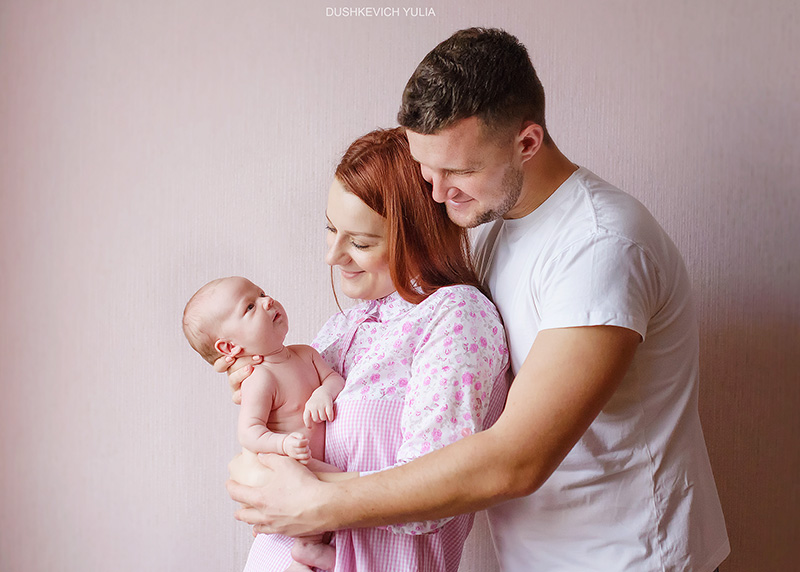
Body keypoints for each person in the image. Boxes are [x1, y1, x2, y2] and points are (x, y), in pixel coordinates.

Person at [225, 28, 730, 572]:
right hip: (537, 558)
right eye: (427, 168)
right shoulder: (493, 229)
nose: (437, 193)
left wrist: (314, 503)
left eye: (459, 171)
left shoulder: (599, 248)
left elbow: (517, 459)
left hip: (630, 557)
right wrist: (280, 377)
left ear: (527, 142)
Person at [221, 127, 510, 571]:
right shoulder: (341, 329)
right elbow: (259, 465)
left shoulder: (454, 316)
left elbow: (437, 495)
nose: (333, 256)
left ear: (418, 237)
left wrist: (304, 497)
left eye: (359, 242)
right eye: (331, 229)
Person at [183, 276, 344, 571]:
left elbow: (334, 379)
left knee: (338, 485)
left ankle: (313, 549)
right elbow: (249, 433)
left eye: (262, 293)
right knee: (337, 483)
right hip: (288, 465)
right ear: (229, 346)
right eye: (249, 306)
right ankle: (307, 552)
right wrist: (283, 443)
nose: (267, 301)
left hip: (310, 463)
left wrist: (324, 392)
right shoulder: (260, 378)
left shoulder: (306, 354)